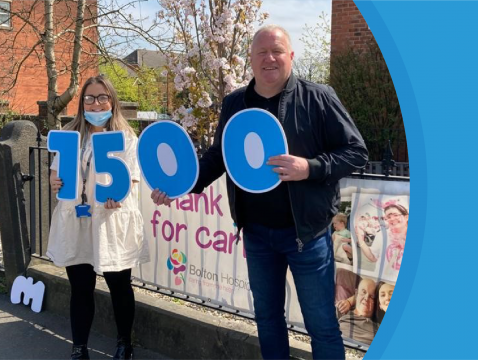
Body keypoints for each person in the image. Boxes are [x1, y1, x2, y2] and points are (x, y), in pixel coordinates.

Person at [151, 24, 368, 359]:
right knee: (267, 320)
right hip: (257, 236)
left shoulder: (319, 97)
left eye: (277, 50)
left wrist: (308, 167)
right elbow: (218, 157)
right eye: (262, 52)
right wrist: (181, 186)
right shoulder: (235, 102)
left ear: (291, 56)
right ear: (251, 59)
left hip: (307, 236)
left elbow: (355, 151)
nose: (270, 58)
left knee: (322, 325)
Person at [48, 75, 149, 360]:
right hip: (78, 222)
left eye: (102, 97)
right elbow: (57, 171)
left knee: (119, 285)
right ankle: (79, 347)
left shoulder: (127, 138)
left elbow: (132, 178)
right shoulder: (71, 135)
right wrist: (55, 181)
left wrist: (121, 193)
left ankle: (124, 343)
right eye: (89, 98)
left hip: (112, 220)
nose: (96, 103)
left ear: (112, 101)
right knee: (80, 287)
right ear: (81, 104)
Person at [354, 201, 408, 279]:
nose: (392, 219)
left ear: (406, 217)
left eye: (396, 215)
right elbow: (373, 257)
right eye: (388, 217)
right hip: (382, 282)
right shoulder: (382, 235)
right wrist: (361, 239)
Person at [335, 278, 378, 345]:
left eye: (372, 296)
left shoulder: (379, 326)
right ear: (356, 293)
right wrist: (349, 301)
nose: (366, 298)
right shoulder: (341, 311)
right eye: (363, 292)